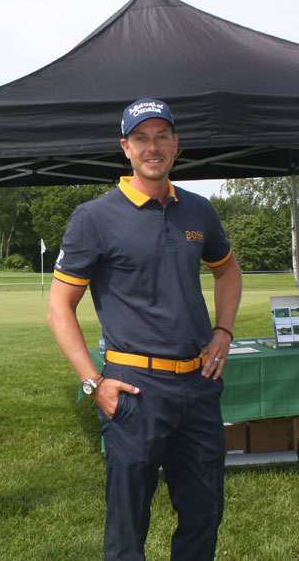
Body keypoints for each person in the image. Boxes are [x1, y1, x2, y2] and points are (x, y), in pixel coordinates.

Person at [47, 98, 242, 561]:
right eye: (141, 138)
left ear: (175, 144)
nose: (152, 147)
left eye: (161, 137)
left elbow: (228, 271)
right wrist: (93, 383)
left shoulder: (198, 211)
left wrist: (223, 331)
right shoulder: (94, 218)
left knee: (204, 513)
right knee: (128, 524)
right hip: (134, 389)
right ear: (126, 148)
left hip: (198, 385)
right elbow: (59, 308)